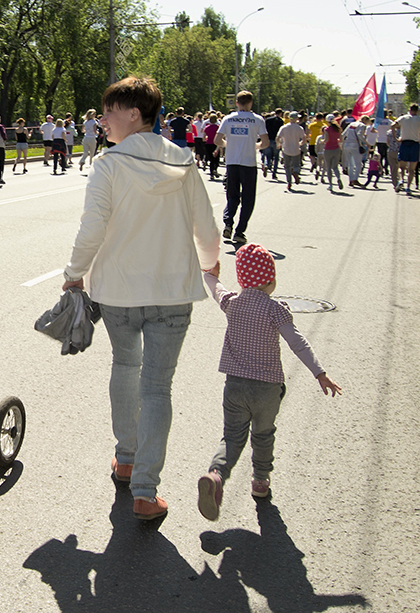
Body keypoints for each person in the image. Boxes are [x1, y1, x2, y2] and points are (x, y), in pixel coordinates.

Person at [61, 76, 220, 521]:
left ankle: (126, 458)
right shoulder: (184, 162)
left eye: (110, 111)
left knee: (126, 368)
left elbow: (92, 227)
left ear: (135, 114)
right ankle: (146, 492)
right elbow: (205, 226)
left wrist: (74, 275)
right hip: (172, 292)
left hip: (119, 292)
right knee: (157, 387)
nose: (102, 119)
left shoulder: (109, 165)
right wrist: (210, 262)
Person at [196, 243, 342, 521]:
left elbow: (215, 287)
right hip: (267, 389)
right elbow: (297, 343)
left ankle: (216, 474)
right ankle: (260, 481)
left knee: (232, 436)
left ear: (242, 280)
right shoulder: (277, 310)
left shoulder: (232, 303)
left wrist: (210, 272)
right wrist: (319, 373)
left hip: (235, 386)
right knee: (263, 435)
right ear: (270, 281)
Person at [214, 91, 269, 245]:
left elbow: (217, 139)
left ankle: (228, 223)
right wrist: (255, 145)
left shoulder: (228, 118)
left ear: (237, 103)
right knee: (248, 198)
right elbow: (265, 143)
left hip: (232, 162)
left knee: (232, 195)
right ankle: (240, 231)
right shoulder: (257, 120)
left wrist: (227, 144)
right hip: (249, 162)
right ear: (251, 103)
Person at [394, 104, 420, 196]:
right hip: (415, 144)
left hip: (404, 143)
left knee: (401, 166)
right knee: (412, 169)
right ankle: (408, 187)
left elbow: (393, 126)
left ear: (409, 110)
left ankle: (401, 180)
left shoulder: (403, 118)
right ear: (417, 111)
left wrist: (396, 138)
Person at [276, 111, 307, 191]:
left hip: (286, 148)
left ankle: (289, 182)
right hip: (296, 148)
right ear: (296, 119)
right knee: (296, 165)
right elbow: (304, 139)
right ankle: (296, 172)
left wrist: (278, 144)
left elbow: (278, 137)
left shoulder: (284, 127)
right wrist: (300, 143)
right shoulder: (299, 128)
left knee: (287, 166)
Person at [342, 116, 369, 188]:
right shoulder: (362, 125)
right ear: (365, 120)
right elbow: (360, 134)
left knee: (350, 164)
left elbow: (343, 134)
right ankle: (355, 179)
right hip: (355, 145)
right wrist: (366, 142)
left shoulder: (351, 124)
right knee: (358, 164)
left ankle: (350, 180)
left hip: (347, 144)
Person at [323, 115, 344, 191]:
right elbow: (341, 140)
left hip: (328, 149)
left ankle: (331, 185)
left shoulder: (327, 129)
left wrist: (322, 141)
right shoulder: (338, 129)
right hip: (336, 149)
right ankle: (338, 178)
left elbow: (326, 140)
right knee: (335, 167)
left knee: (328, 167)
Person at [261, 109, 284, 180]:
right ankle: (274, 173)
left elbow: (264, 130)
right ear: (280, 114)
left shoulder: (268, 120)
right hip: (276, 140)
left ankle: (266, 165)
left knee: (267, 155)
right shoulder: (280, 121)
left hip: (268, 139)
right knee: (276, 157)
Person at [204, 113, 221, 180]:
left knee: (211, 159)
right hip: (216, 144)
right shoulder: (218, 127)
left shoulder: (207, 128)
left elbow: (203, 137)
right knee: (216, 158)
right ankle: (215, 169)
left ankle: (211, 174)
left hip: (208, 143)